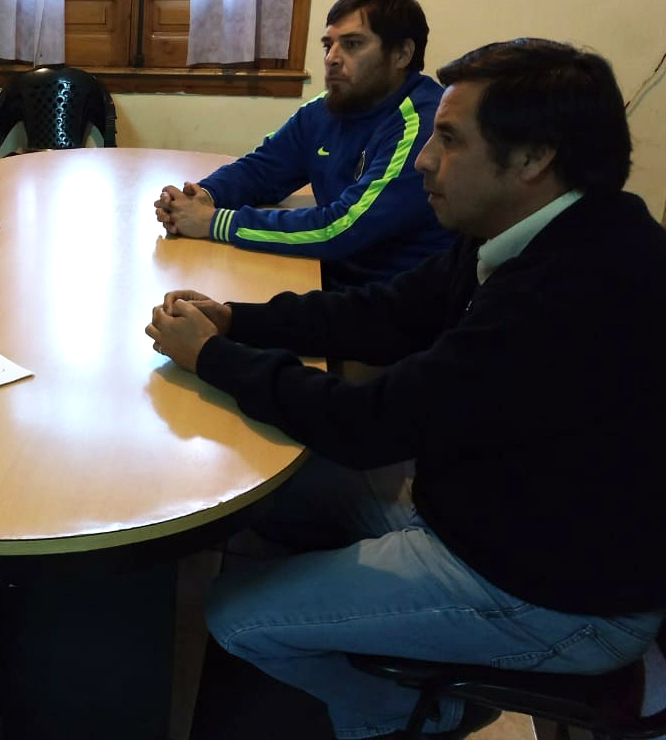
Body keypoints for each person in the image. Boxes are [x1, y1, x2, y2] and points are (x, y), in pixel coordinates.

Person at [145, 38, 666, 738]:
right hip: (480, 516)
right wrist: (237, 319)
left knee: (234, 616)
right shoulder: (525, 228)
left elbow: (367, 426)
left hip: (555, 596)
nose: (424, 160)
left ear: (533, 158)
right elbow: (384, 313)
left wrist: (214, 357)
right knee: (266, 493)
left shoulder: (575, 289)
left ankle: (414, 719)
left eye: (449, 140)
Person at [154, 0, 454, 290]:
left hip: (386, 299)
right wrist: (203, 196)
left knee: (213, 309)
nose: (332, 58)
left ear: (402, 54)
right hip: (327, 275)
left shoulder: (424, 125)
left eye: (352, 44)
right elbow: (262, 169)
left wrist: (211, 221)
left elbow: (340, 229)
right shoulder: (327, 107)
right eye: (328, 45)